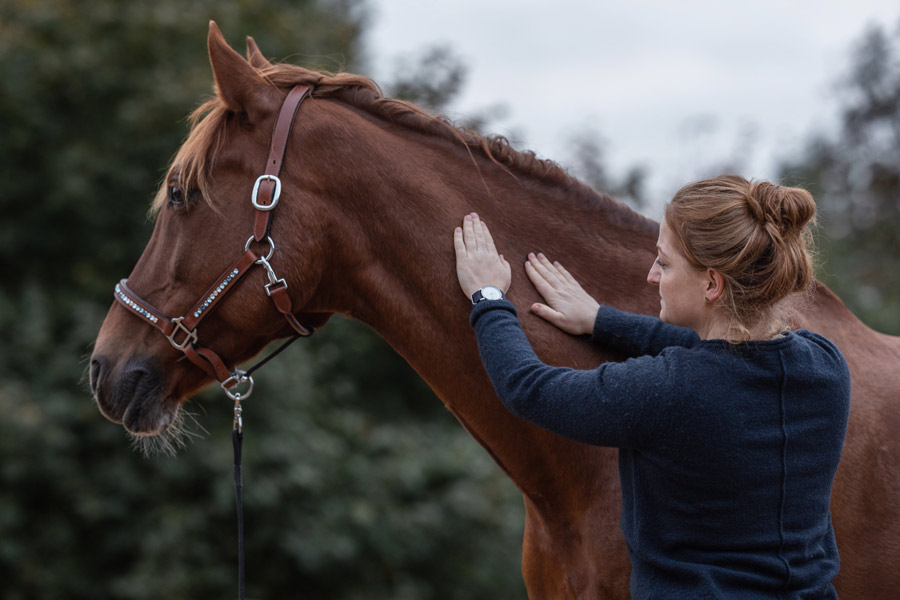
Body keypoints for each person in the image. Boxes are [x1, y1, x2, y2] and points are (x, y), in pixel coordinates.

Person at [452, 174, 851, 599]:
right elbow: (728, 355)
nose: (650, 275)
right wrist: (602, 320)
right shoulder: (826, 365)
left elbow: (528, 388)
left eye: (664, 262)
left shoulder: (668, 390)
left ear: (712, 284)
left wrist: (488, 297)